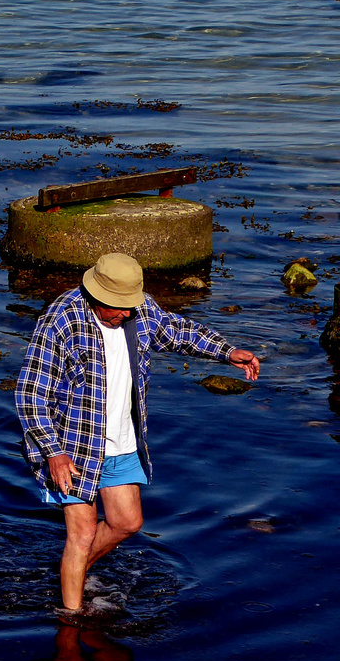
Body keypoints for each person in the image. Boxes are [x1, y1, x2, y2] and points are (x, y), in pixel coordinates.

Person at [14, 253, 260, 612]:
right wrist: (53, 452)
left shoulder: (138, 307)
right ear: (97, 298)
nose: (128, 314)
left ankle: (72, 572)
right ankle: (70, 623)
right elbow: (30, 394)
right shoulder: (61, 319)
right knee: (81, 534)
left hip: (121, 438)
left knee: (127, 522)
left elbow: (177, 331)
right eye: (119, 308)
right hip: (70, 444)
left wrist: (227, 351)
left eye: (131, 306)